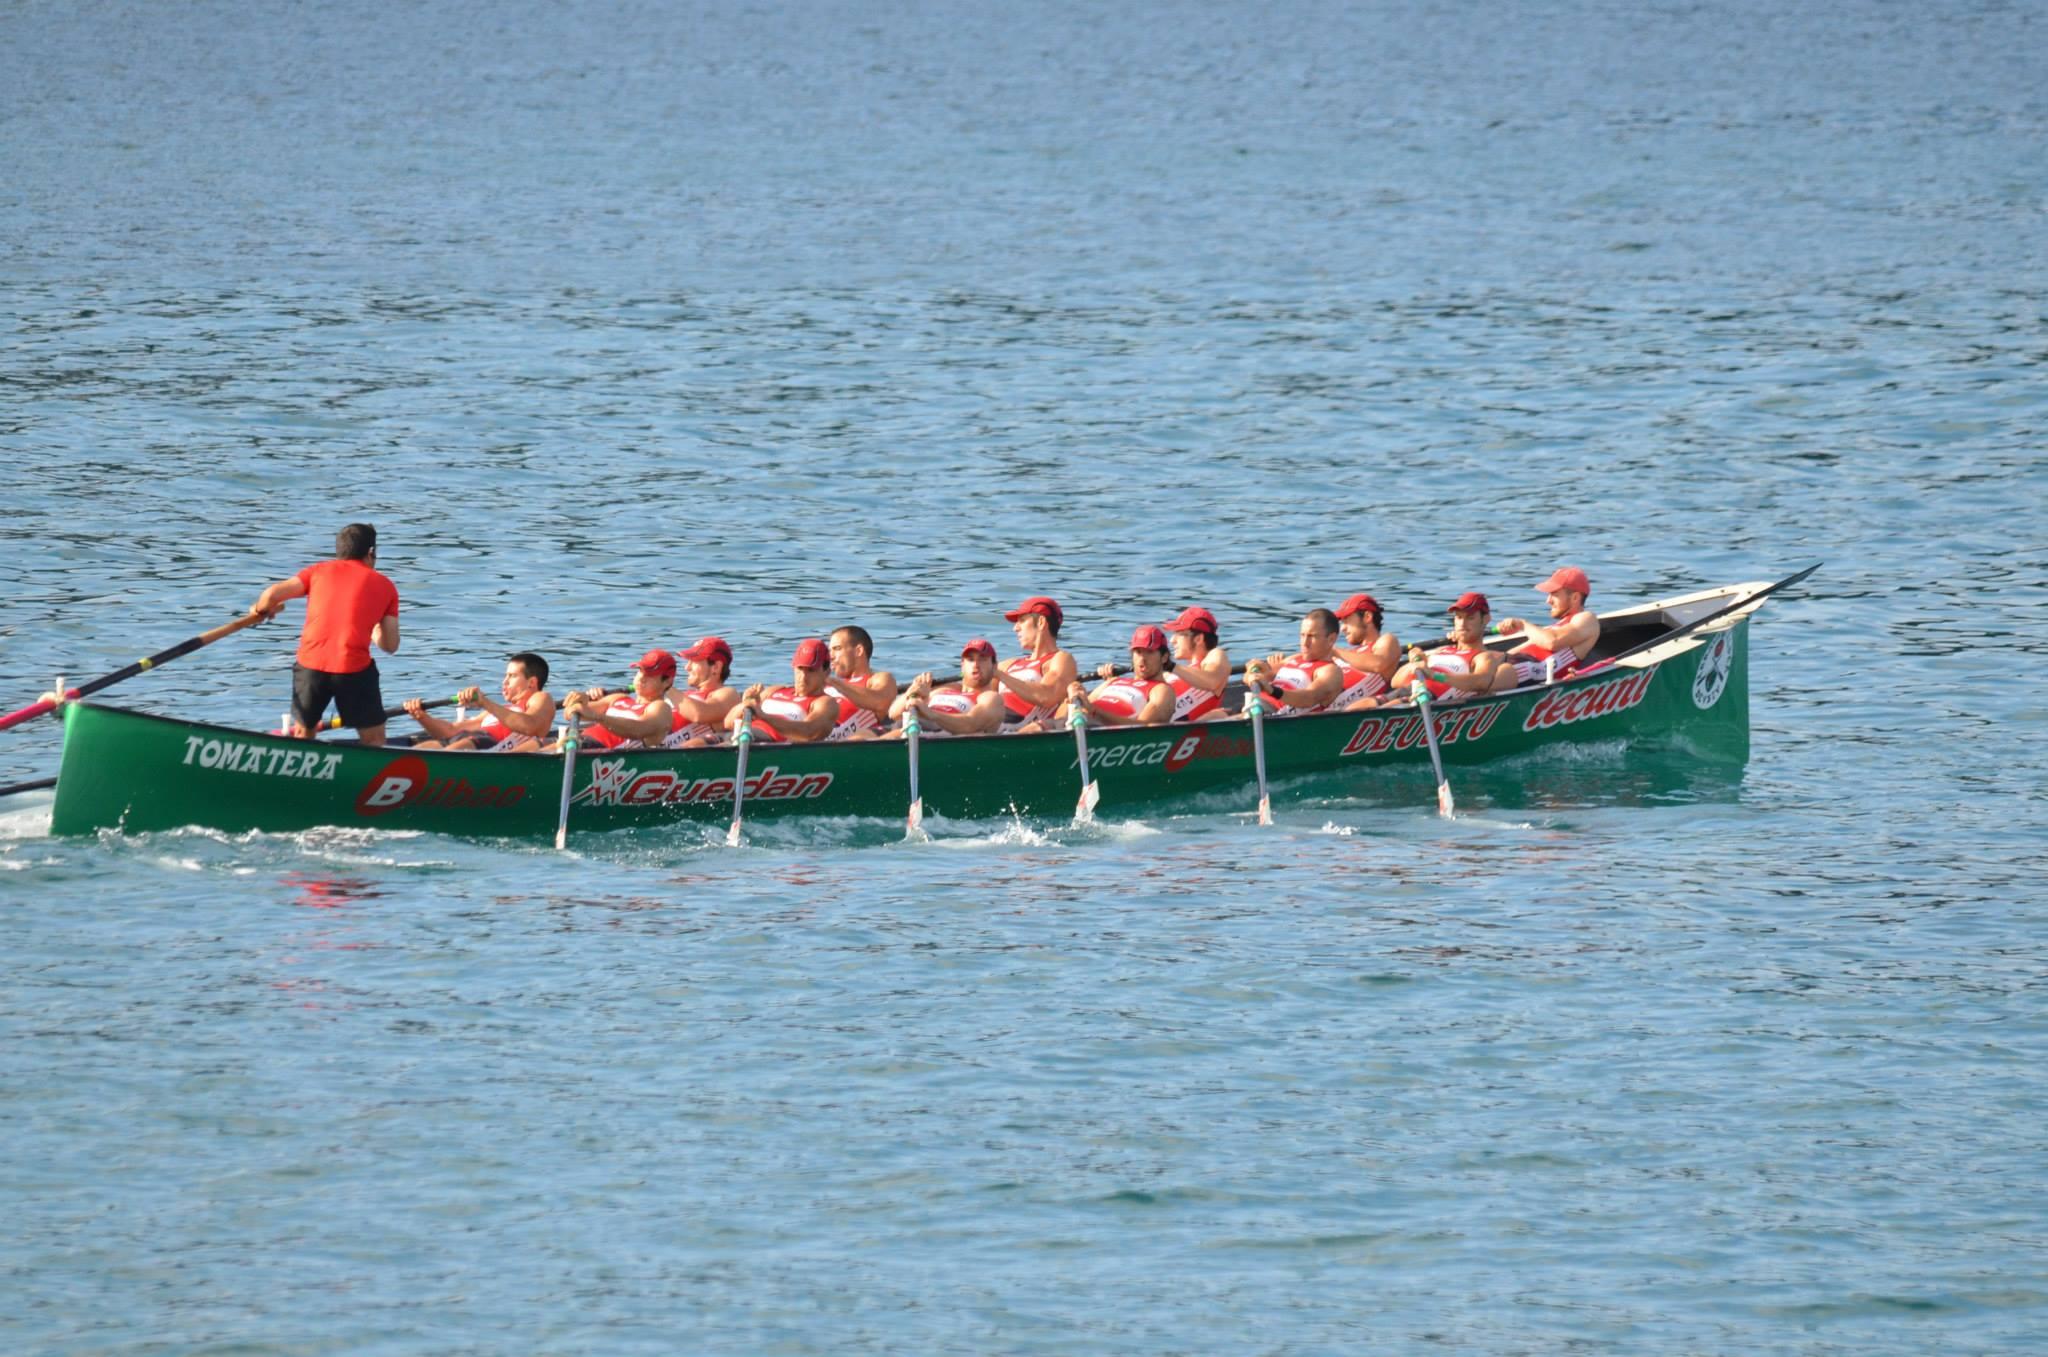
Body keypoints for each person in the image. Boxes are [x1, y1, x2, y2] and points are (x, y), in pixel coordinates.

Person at [251, 523, 401, 745]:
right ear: (371, 552)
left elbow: (271, 595)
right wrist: (371, 628)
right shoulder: (386, 586)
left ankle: (305, 758)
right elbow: (390, 645)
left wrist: (260, 609)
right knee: (375, 739)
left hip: (310, 666)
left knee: (303, 733)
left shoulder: (317, 572)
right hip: (353, 669)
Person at [403, 652, 556, 750]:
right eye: (506, 675)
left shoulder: (541, 698)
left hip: (488, 745)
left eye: (512, 676)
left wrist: (485, 703)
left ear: (531, 682)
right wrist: (422, 717)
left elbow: (530, 726)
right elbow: (450, 731)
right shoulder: (499, 711)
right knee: (428, 747)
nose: (505, 682)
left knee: (463, 744)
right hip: (466, 739)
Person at [1391, 593, 1519, 701]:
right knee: (1380, 701)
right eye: (1459, 617)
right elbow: (1395, 682)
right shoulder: (1442, 650)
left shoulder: (1483, 657)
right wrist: (1414, 661)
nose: (1462, 624)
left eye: (1470, 618)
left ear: (1485, 620)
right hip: (1410, 691)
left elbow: (1481, 681)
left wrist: (1435, 675)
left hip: (1429, 700)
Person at [1496, 566, 1600, 685]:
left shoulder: (1587, 618)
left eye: (1554, 594)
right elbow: (1512, 652)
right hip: (1514, 665)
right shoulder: (1554, 628)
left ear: (1575, 598)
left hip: (1525, 672)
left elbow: (1552, 642)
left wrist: (1522, 625)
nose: (1548, 600)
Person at [561, 649, 678, 750]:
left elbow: (638, 729)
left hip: (598, 752)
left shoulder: (661, 708)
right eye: (640, 671)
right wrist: (580, 699)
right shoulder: (617, 698)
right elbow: (568, 714)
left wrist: (597, 717)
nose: (641, 678)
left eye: (650, 674)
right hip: (575, 743)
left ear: (667, 682)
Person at [888, 638, 1009, 736]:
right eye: (970, 659)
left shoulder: (991, 698)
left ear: (994, 666)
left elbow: (970, 724)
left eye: (982, 659)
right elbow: (893, 714)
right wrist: (912, 692)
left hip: (938, 734)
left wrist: (931, 714)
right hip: (911, 726)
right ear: (962, 666)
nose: (976, 665)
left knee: (897, 733)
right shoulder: (945, 689)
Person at [727, 638, 840, 743]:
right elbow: (728, 723)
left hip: (767, 740)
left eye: (811, 670)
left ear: (826, 671)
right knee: (717, 738)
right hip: (742, 734)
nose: (803, 677)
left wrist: (763, 716)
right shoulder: (774, 690)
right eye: (799, 668)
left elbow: (810, 733)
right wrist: (746, 703)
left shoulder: (825, 702)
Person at [1066, 626, 1178, 727]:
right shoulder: (1113, 680)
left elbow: (1143, 728)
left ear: (1164, 657)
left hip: (1097, 730)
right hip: (1077, 723)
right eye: (1138, 652)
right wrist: (1075, 691)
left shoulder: (1162, 690)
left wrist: (1095, 711)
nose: (1142, 659)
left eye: (1149, 652)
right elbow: (1083, 705)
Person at [993, 596, 1079, 727]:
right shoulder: (1008, 664)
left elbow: (1047, 696)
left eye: (1022, 621)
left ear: (1041, 622)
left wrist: (1000, 675)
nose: (1015, 628)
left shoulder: (1060, 659)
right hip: (990, 721)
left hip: (1020, 728)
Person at [1244, 609, 1347, 715]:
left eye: (1312, 636)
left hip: (1273, 714)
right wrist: (1252, 671)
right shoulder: (1295, 658)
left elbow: (1308, 698)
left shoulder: (1331, 671)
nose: (1304, 643)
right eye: (1302, 635)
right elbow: (1253, 677)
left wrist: (1272, 690)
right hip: (1253, 704)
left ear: (1331, 639)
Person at [661, 636, 743, 746]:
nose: (687, 667)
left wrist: (666, 686)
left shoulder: (727, 694)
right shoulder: (684, 695)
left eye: (694, 661)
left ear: (716, 667)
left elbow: (698, 715)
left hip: (679, 751)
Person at [824, 625, 899, 739]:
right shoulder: (828, 685)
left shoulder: (877, 679)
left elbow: (881, 702)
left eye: (837, 649)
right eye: (829, 651)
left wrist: (833, 683)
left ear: (858, 651)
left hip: (849, 740)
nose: (830, 656)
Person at [1157, 606, 1231, 721]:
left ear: (1198, 639)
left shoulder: (1215, 654)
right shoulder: (1174, 673)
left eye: (1179, 633)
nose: (1172, 640)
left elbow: (1212, 681)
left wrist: (1170, 666)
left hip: (1158, 724)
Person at [1332, 593, 1400, 707]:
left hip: (1342, 708)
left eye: (1347, 620)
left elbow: (1378, 664)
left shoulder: (1386, 640)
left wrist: (1335, 652)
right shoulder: (1349, 654)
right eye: (1342, 622)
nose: (1342, 628)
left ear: (1367, 617)